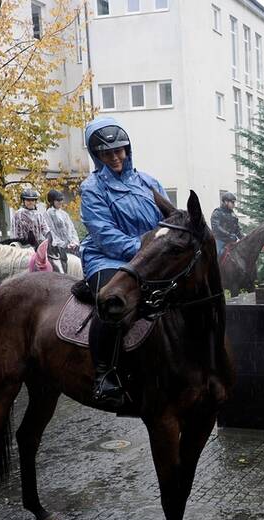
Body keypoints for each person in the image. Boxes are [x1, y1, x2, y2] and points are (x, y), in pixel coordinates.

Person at [79, 117, 166, 408]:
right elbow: (105, 236)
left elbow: (169, 218)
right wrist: (147, 252)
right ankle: (104, 374)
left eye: (120, 150)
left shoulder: (149, 182)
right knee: (113, 302)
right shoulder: (92, 188)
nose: (115, 157)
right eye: (107, 153)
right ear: (97, 156)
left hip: (147, 256)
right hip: (106, 257)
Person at [45, 189, 81, 272]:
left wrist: (74, 242)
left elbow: (72, 229)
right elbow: (51, 232)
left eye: (61, 199)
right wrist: (63, 244)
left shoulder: (64, 214)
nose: (61, 202)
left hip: (72, 248)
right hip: (58, 250)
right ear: (52, 201)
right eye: (58, 200)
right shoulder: (47, 214)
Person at [210, 191, 242, 258]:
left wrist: (242, 238)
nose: (234, 205)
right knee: (216, 254)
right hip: (219, 239)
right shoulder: (217, 212)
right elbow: (216, 227)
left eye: (234, 202)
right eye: (232, 202)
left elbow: (237, 228)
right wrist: (228, 234)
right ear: (225, 202)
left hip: (231, 240)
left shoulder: (232, 214)